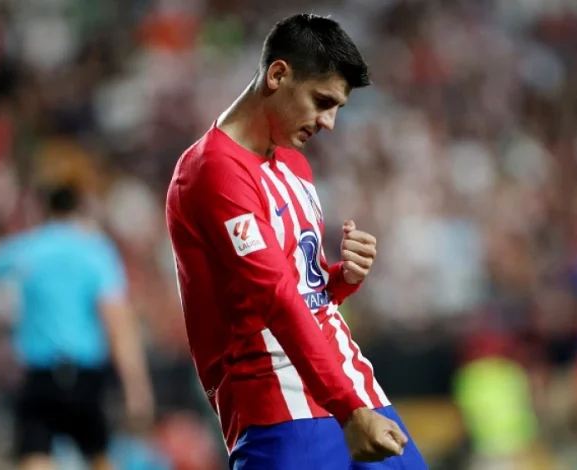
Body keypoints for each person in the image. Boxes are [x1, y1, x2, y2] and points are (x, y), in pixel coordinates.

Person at [166, 13, 428, 469]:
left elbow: (303, 287)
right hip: (278, 406)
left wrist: (340, 278)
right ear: (278, 74)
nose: (328, 122)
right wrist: (348, 409)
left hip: (353, 388)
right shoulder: (213, 171)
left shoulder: (292, 160)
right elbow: (275, 297)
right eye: (321, 101)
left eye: (337, 109)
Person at [0, 184, 155, 470]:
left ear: (46, 211)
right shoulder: (96, 253)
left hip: (40, 377)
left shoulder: (30, 247)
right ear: (78, 210)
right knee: (100, 457)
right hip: (85, 377)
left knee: (35, 458)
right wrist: (136, 387)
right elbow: (117, 322)